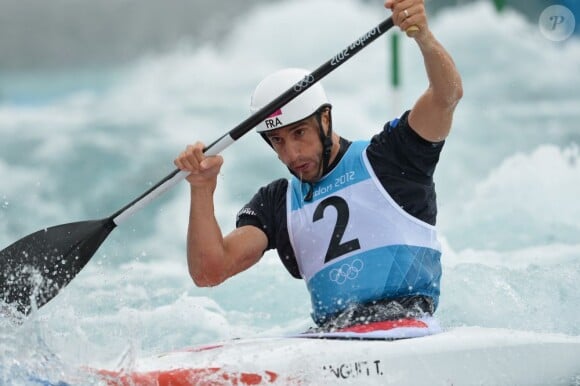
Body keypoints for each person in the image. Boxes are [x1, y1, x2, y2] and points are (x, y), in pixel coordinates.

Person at [174, 0, 462, 332]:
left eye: (299, 133)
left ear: (325, 119)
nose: (292, 153)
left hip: (409, 328)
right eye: (278, 141)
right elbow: (210, 272)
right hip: (331, 338)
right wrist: (202, 188)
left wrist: (423, 36)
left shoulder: (390, 158)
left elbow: (446, 96)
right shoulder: (277, 203)